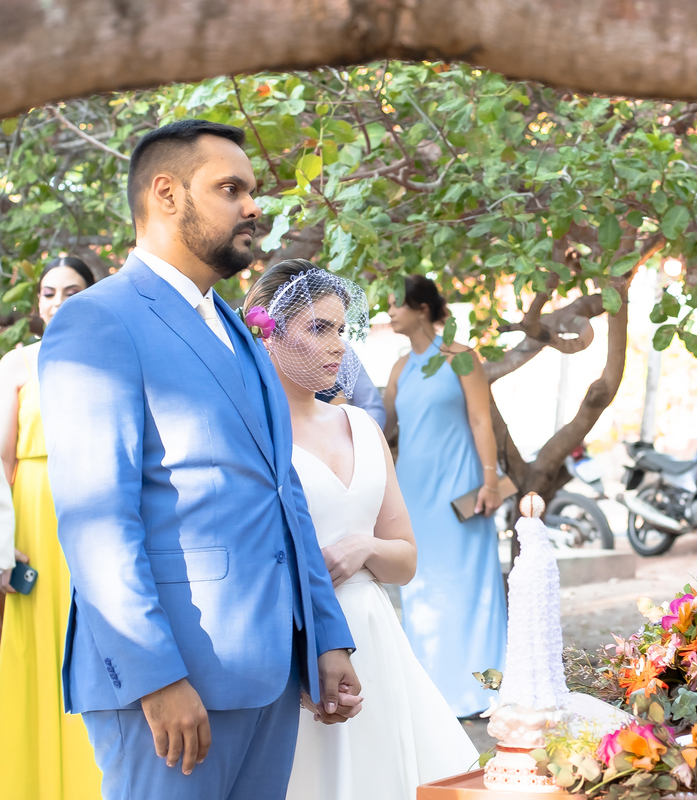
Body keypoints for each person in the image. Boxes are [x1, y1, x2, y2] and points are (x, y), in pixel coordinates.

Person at [38, 119, 361, 800]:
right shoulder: (98, 320)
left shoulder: (238, 331)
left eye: (253, 190)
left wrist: (326, 637)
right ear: (166, 194)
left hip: (270, 669)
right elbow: (99, 520)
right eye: (231, 189)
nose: (254, 207)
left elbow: (283, 494)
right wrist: (155, 675)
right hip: (174, 678)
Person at [243, 261, 478, 800]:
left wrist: (366, 546)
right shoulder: (252, 437)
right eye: (319, 329)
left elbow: (407, 559)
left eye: (342, 331)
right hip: (294, 646)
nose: (338, 347)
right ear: (269, 332)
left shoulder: (363, 427)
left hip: (376, 639)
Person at [0, 256, 103, 799]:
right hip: (33, 528)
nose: (59, 301)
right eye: (48, 293)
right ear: (38, 305)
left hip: (95, 521)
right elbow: (1, 460)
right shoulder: (16, 365)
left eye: (72, 290)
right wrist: (3, 544)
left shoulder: (111, 358)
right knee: (36, 657)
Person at [383, 276, 506, 718]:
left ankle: (488, 690)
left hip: (462, 490)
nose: (390, 312)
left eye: (397, 305)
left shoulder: (461, 357)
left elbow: (480, 421)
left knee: (475, 588)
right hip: (413, 493)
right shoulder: (399, 368)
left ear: (421, 309)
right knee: (422, 589)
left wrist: (490, 482)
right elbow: (386, 427)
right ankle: (434, 694)